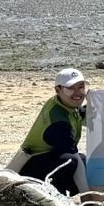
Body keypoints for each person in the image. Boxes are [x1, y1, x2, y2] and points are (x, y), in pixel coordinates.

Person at [17, 67, 88, 195]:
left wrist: (103, 98)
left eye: (81, 87)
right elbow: (74, 158)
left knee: (83, 160)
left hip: (44, 160)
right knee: (72, 161)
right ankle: (53, 195)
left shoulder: (64, 103)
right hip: (27, 172)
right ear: (58, 90)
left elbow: (82, 113)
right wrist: (88, 197)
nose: (77, 92)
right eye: (70, 88)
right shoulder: (59, 123)